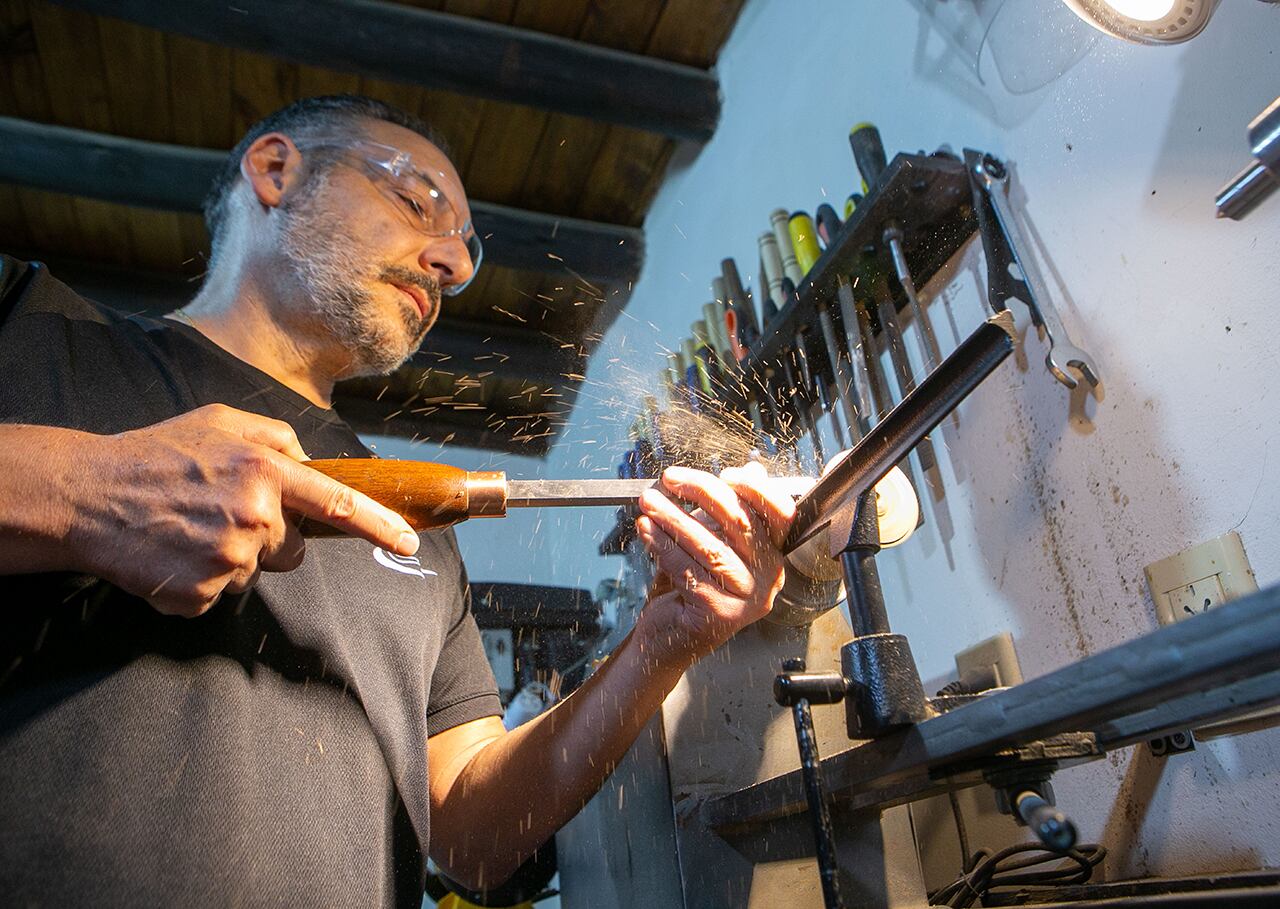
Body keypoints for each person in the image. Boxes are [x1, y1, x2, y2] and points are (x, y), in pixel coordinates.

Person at [0, 95, 794, 906]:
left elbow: (475, 841)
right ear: (276, 172)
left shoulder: (424, 533)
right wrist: (84, 490)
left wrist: (661, 640)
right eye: (419, 203)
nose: (451, 263)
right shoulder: (29, 330)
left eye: (465, 250)